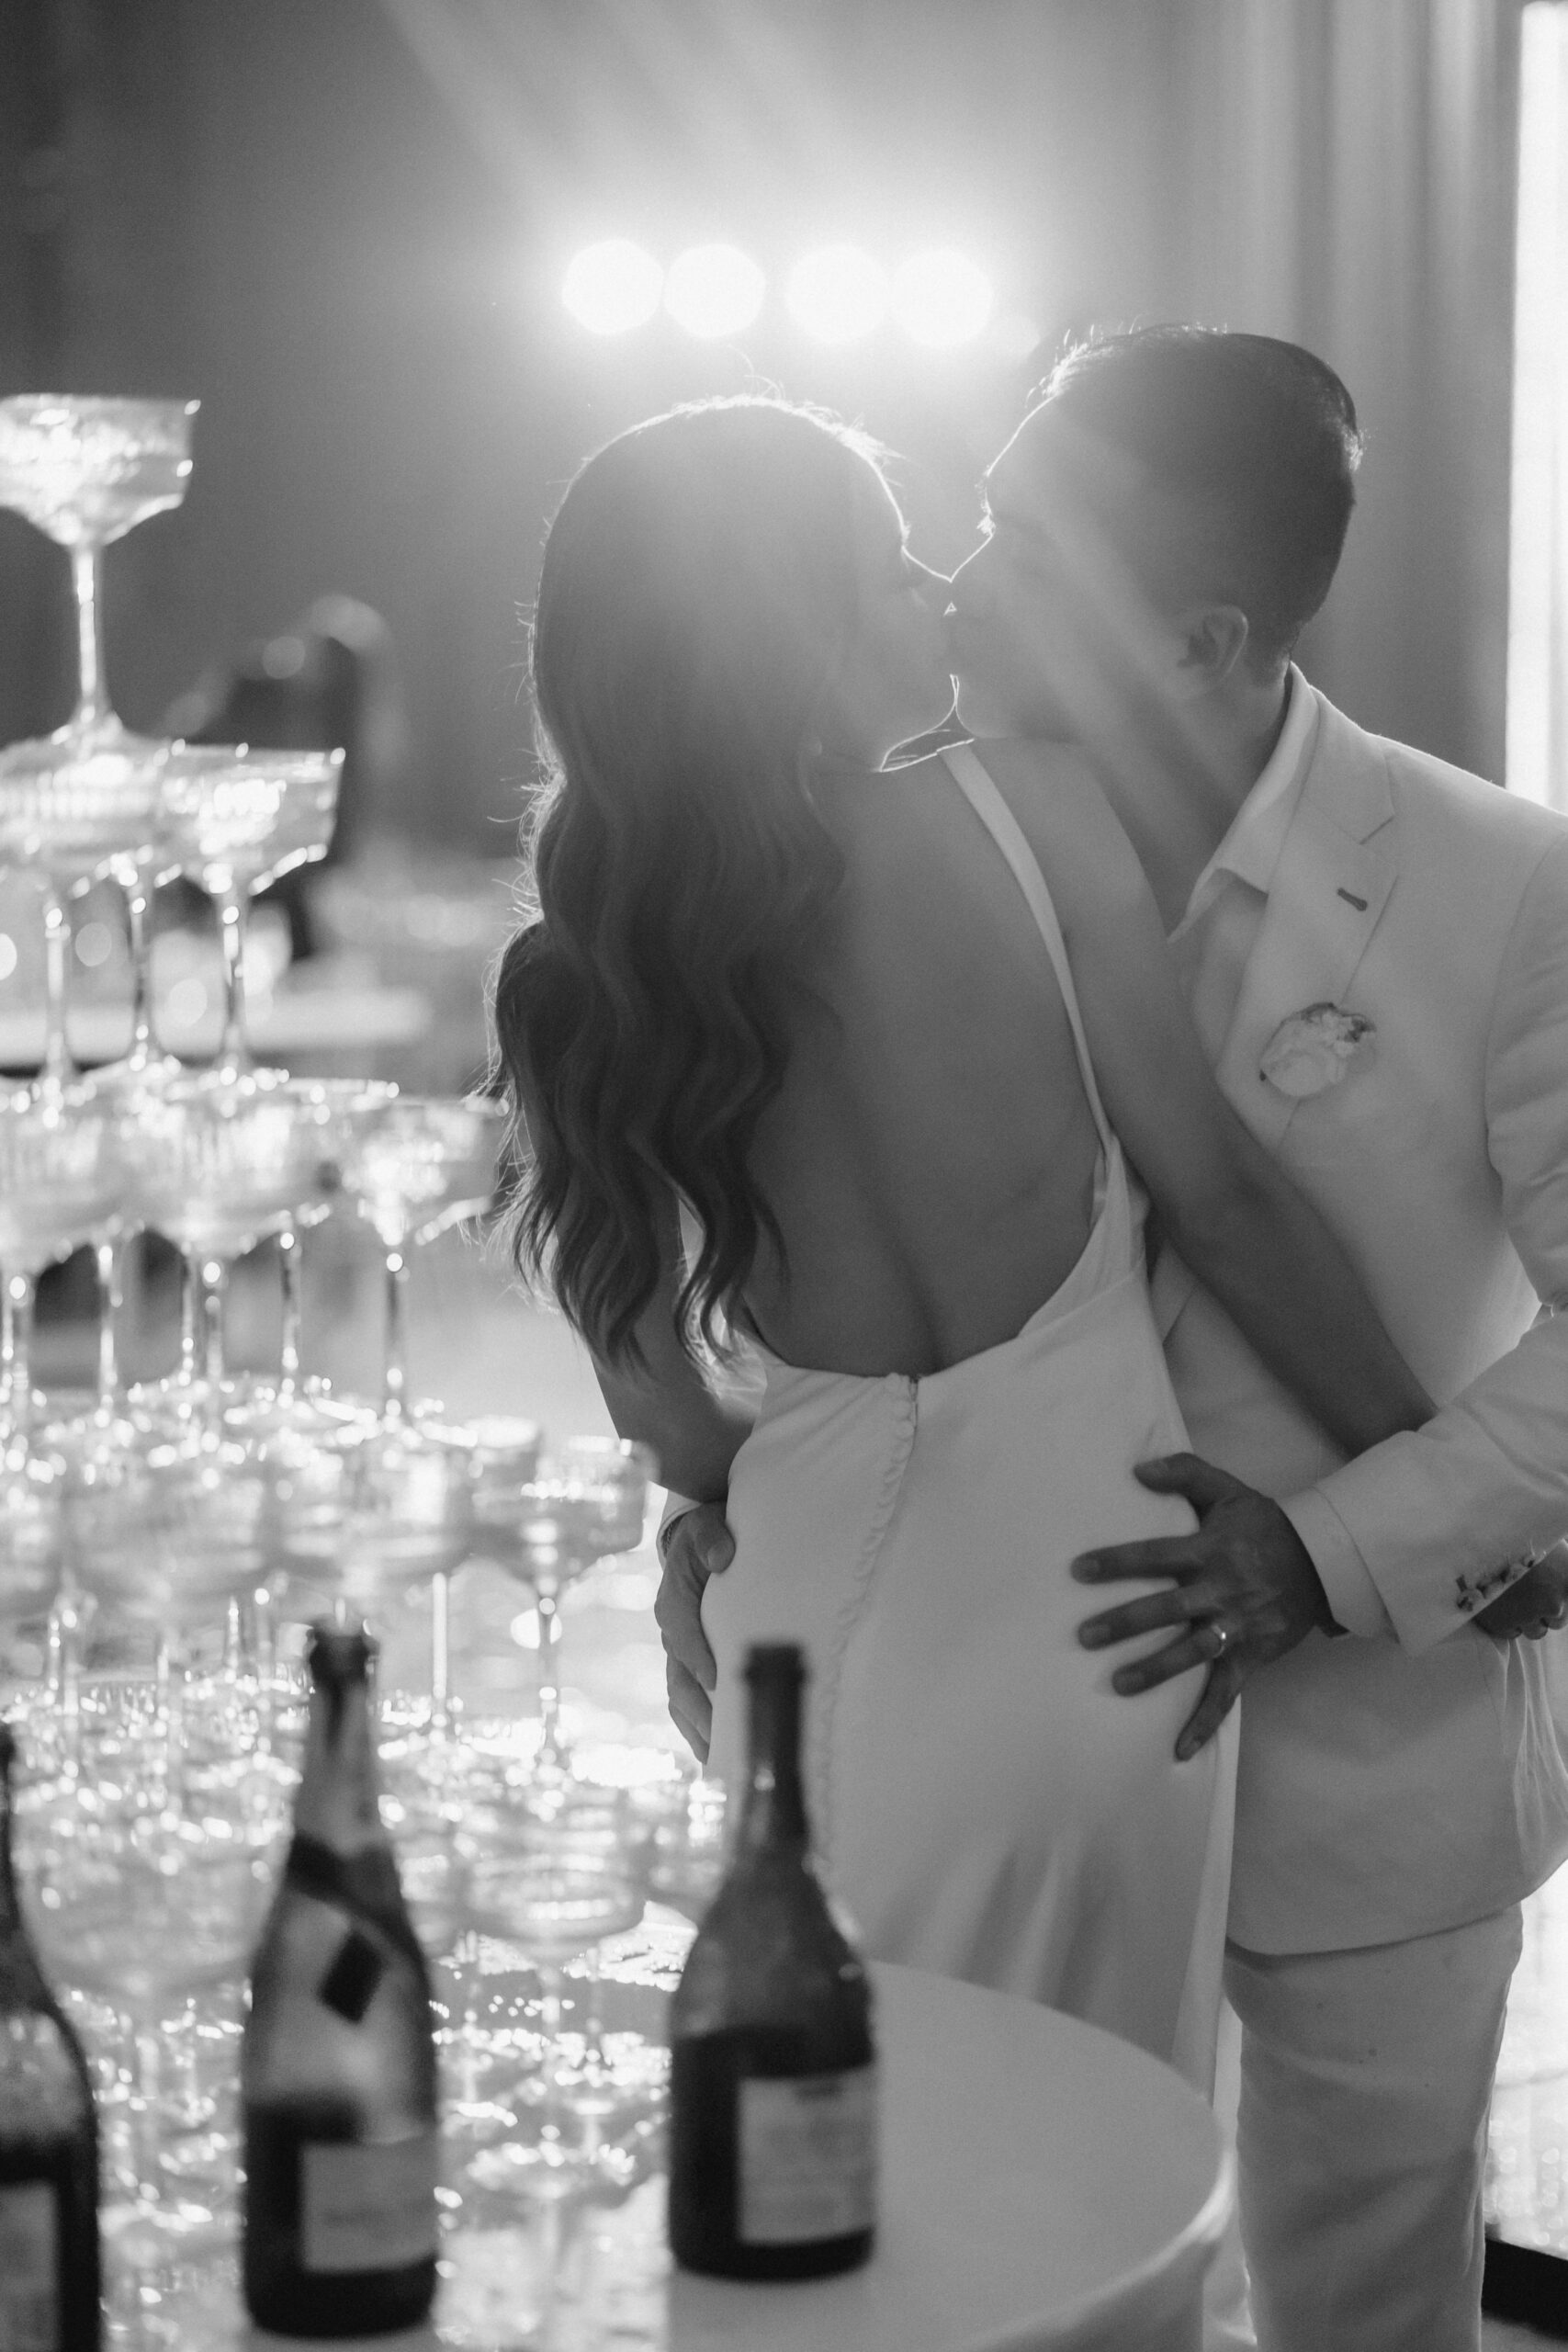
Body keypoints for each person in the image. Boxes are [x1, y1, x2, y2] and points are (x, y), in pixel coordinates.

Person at [658, 334, 1568, 2352]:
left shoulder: (1501, 882)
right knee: (982, 2265)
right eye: (973, 522)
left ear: (1200, 635)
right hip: (1015, 1734)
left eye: (1023, 549)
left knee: (1355, 2308)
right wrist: (731, 1510)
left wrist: (1348, 1545)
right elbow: (778, 1265)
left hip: (1368, 1758)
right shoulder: (886, 843)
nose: (962, 580)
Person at [491, 393, 1433, 2103]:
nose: (938, 593)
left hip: (837, 1669)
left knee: (862, 2187)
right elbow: (1224, 1200)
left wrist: (720, 1530)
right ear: (784, 631)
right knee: (1120, 2178)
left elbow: (663, 1415)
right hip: (1124, 1644)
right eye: (889, 564)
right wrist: (1442, 1496)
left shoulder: (585, 970)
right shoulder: (1035, 812)